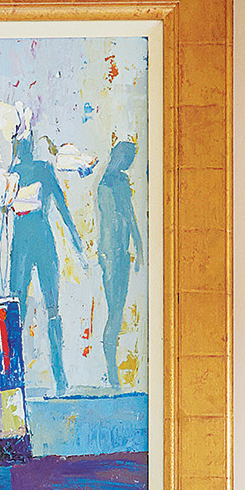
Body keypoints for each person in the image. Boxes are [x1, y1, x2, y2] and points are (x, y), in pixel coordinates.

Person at [7, 133, 83, 396]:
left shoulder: (20, 171)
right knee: (34, 307)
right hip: (37, 240)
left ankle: (53, 376)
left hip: (29, 242)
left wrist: (76, 239)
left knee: (29, 306)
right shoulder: (32, 170)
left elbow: (61, 205)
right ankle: (50, 377)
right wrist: (75, 239)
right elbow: (61, 205)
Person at [95, 136, 145, 392]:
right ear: (119, 156)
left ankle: (112, 373)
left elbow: (129, 217)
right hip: (112, 254)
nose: (128, 163)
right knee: (114, 312)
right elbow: (121, 218)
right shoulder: (110, 183)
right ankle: (111, 373)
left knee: (116, 312)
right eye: (127, 158)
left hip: (117, 254)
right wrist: (135, 246)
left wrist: (137, 247)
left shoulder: (116, 182)